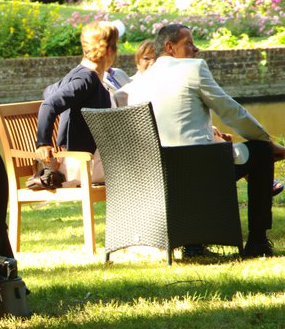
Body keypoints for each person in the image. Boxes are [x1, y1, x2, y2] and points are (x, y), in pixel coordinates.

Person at [116, 23, 285, 257]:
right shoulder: (193, 69)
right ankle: (257, 243)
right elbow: (230, 111)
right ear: (170, 47)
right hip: (197, 171)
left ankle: (193, 244)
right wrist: (266, 141)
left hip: (152, 176)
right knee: (260, 152)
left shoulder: (136, 85)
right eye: (189, 43)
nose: (196, 50)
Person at [36, 21, 118, 184]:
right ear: (109, 50)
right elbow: (49, 104)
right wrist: (43, 143)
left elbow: (49, 91)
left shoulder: (83, 74)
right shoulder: (86, 79)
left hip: (91, 160)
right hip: (83, 164)